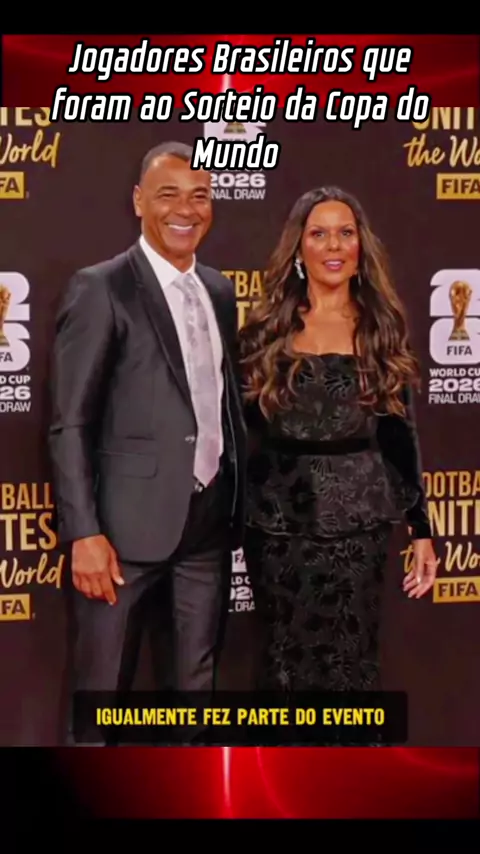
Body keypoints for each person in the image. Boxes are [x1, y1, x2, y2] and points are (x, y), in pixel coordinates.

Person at [48, 141, 246, 743]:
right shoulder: (101, 288)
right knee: (100, 703)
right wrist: (83, 533)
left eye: (199, 196)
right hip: (120, 537)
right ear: (138, 202)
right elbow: (69, 422)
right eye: (168, 195)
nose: (186, 209)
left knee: (196, 700)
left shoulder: (219, 291)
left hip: (207, 526)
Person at [239, 186, 438, 694]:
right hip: (278, 527)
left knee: (352, 658)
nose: (333, 245)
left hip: (359, 524)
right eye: (319, 234)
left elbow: (400, 434)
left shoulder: (381, 328)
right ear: (299, 248)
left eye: (345, 233)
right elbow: (242, 434)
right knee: (282, 661)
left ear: (360, 246)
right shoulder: (266, 330)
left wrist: (420, 529)